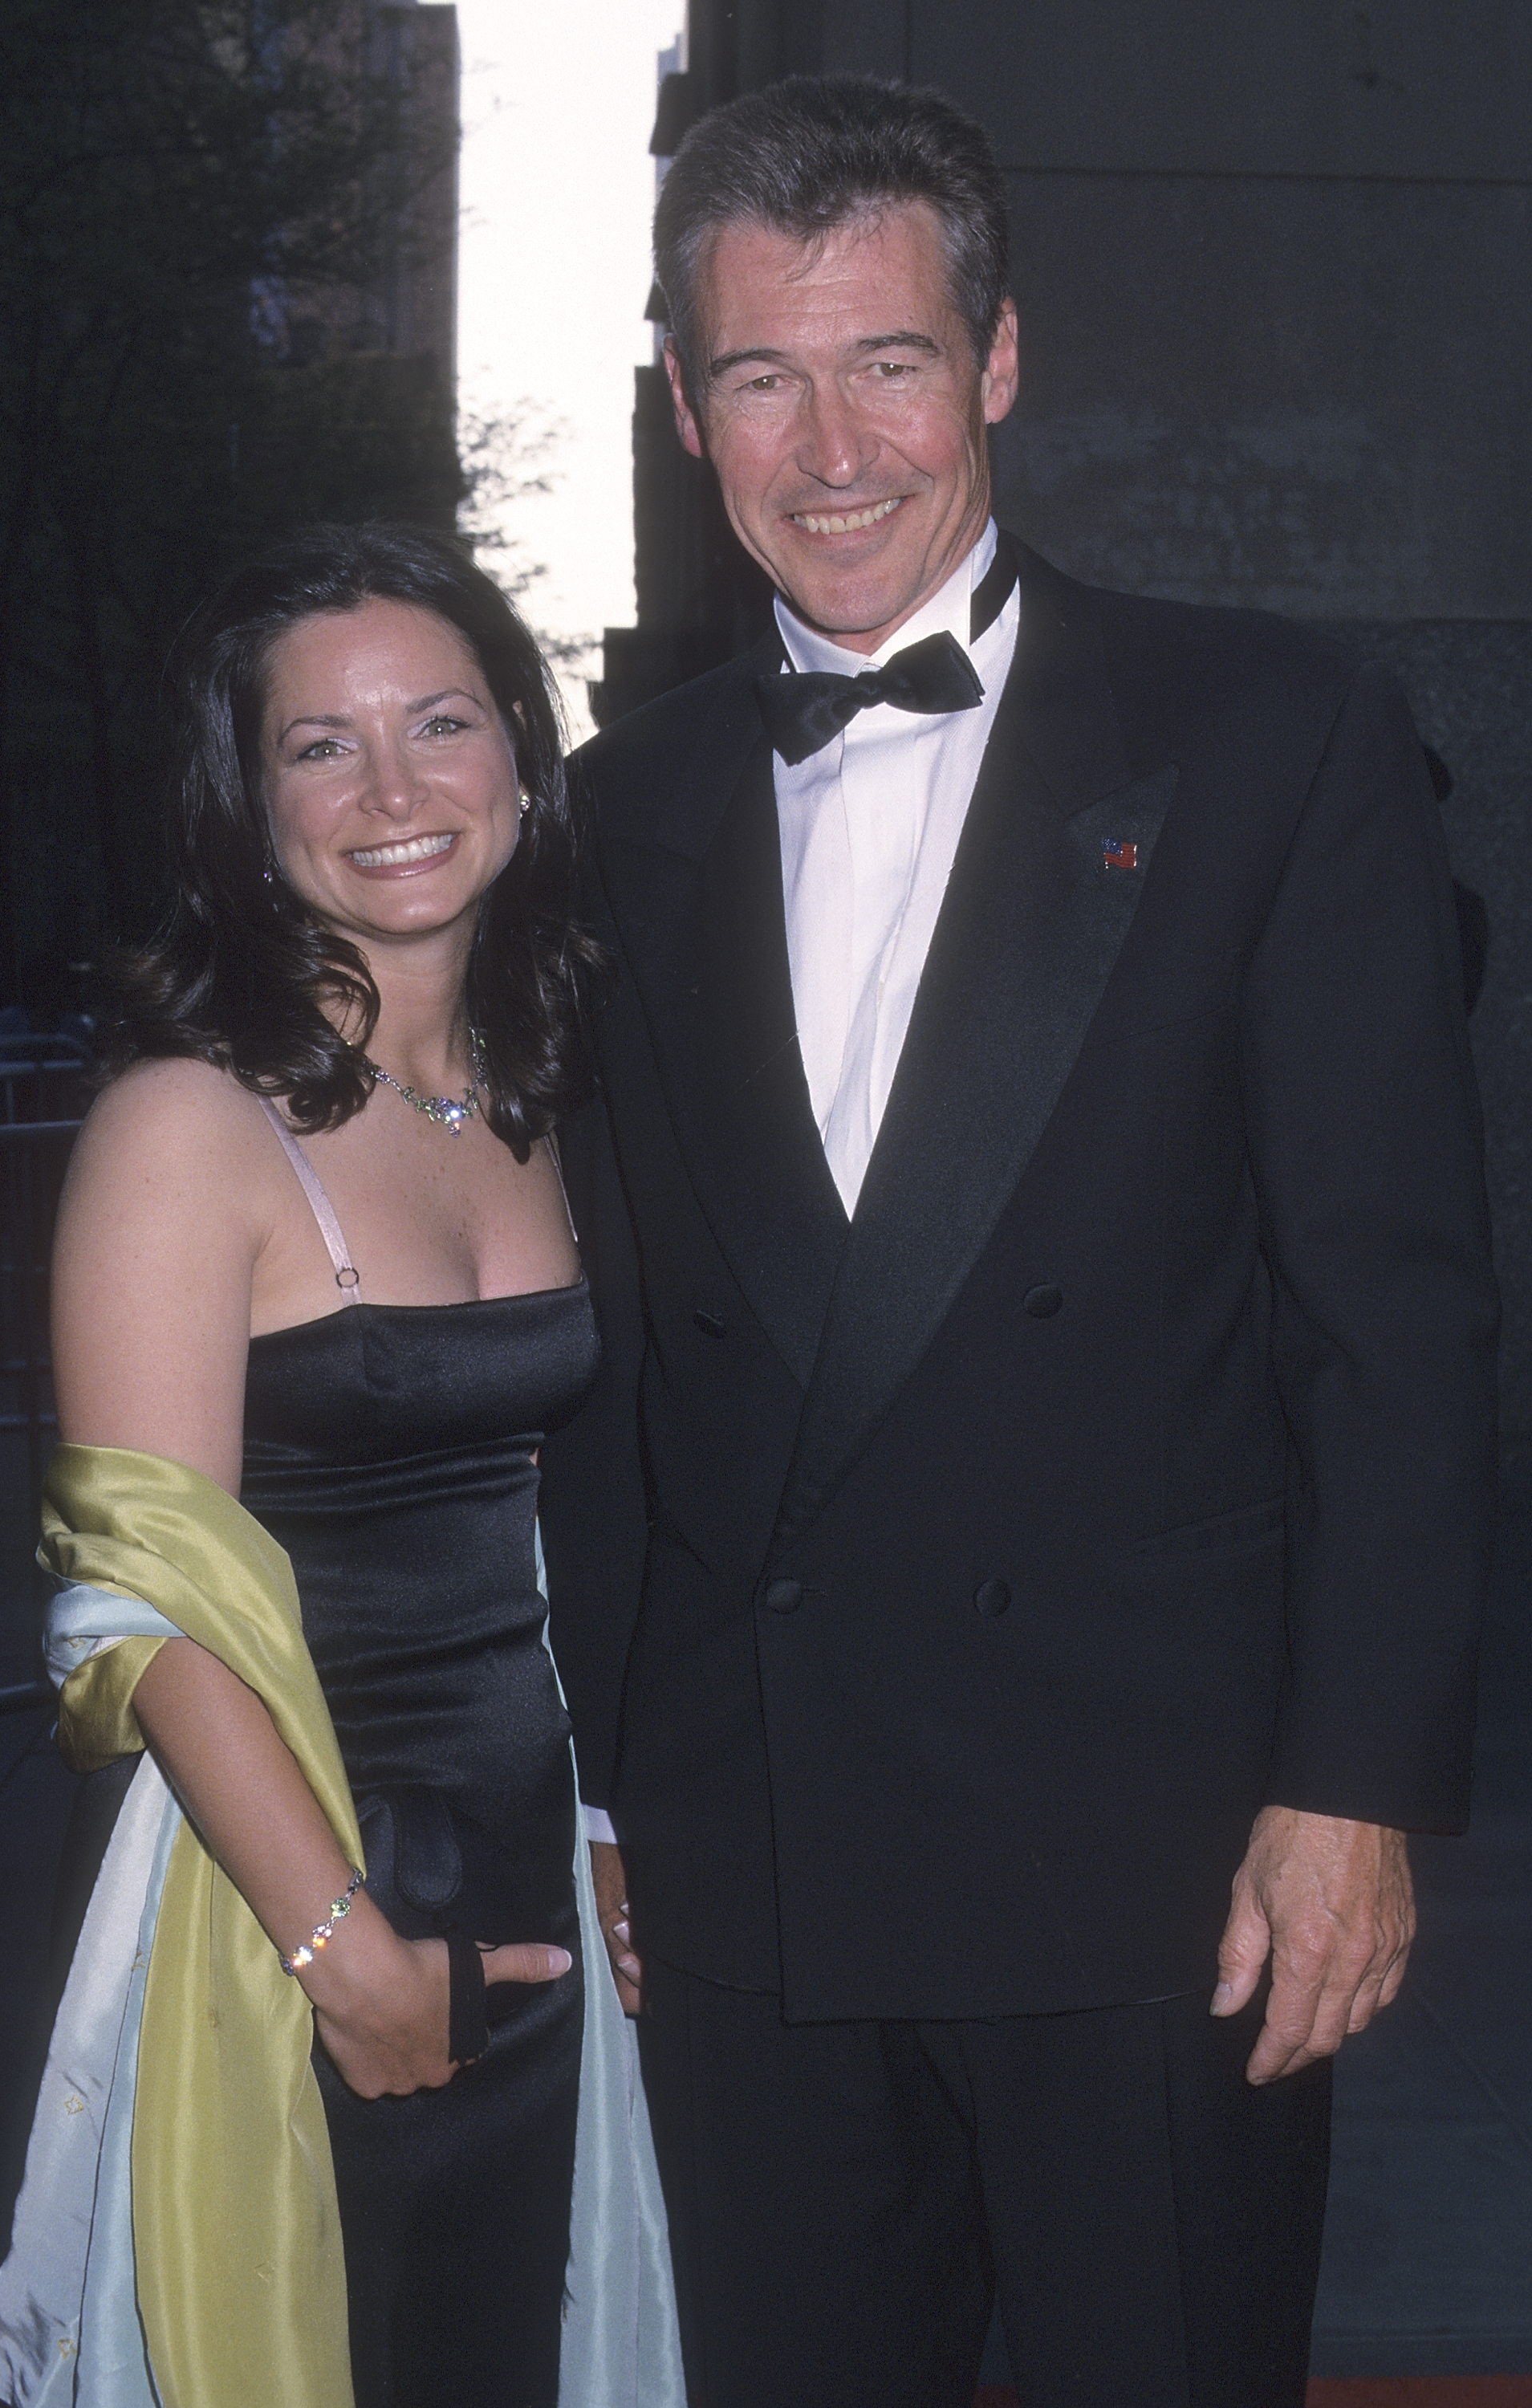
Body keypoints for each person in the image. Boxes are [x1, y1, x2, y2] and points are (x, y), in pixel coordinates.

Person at [538, 74, 1500, 2408]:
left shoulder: (1269, 734)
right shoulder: (609, 808)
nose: (829, 442)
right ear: (682, 409)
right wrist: (601, 1786)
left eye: (884, 361)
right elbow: (608, 1363)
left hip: (1152, 1859)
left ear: (993, 362)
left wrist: (1352, 1784)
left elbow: (1390, 1316)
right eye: (759, 374)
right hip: (748, 1847)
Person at [0, 524, 679, 2408]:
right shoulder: (182, 1125)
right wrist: (340, 1946)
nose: (391, 790)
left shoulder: (552, 1094)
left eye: (440, 723)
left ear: (524, 770)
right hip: (281, 1892)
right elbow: (138, 1606)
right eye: (320, 746)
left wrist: (612, 1820)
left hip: (541, 1880)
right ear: (246, 807)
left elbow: (598, 1520)